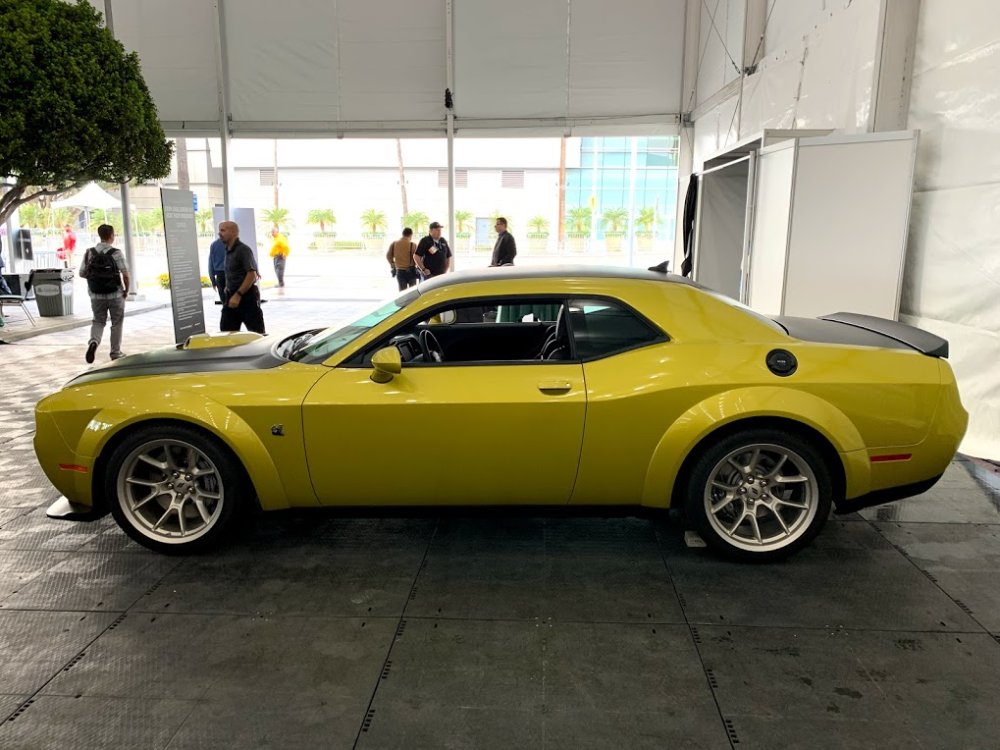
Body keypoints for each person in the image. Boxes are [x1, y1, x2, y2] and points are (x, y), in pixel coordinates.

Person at [79, 224, 130, 363]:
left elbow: (81, 273)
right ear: (111, 236)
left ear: (99, 235)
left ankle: (93, 342)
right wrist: (126, 290)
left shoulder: (89, 252)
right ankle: (115, 352)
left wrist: (96, 277)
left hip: (96, 295)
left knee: (98, 321)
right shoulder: (116, 252)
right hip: (115, 294)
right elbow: (125, 274)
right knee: (117, 323)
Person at [218, 220, 265, 334]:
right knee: (226, 332)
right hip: (231, 296)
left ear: (233, 232)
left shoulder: (243, 250)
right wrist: (228, 287)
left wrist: (238, 295)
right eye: (219, 230)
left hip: (246, 298)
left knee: (256, 333)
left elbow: (251, 274)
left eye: (223, 230)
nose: (220, 233)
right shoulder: (228, 250)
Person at [208, 231, 227, 304]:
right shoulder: (235, 243)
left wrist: (213, 281)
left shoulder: (214, 245)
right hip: (233, 275)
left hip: (220, 276)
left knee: (225, 303)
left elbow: (210, 264)